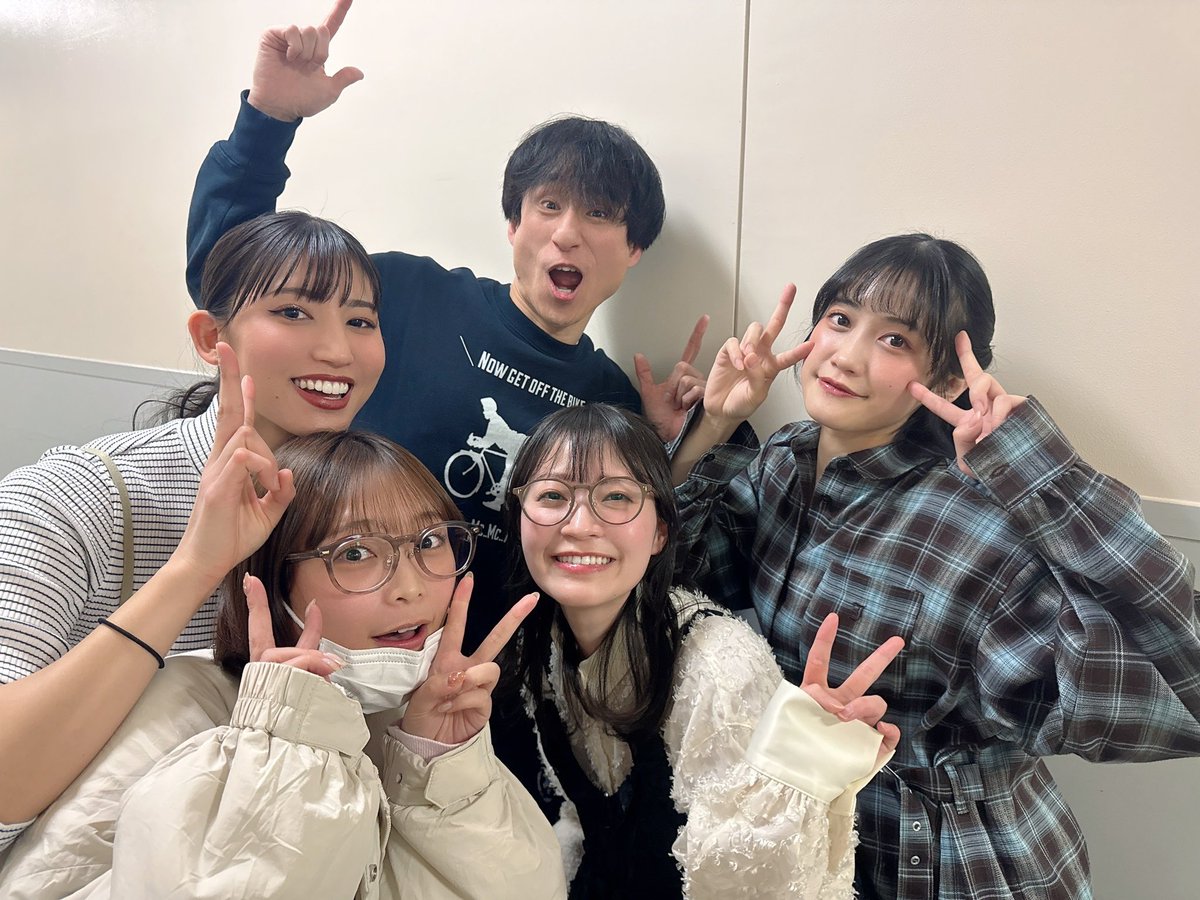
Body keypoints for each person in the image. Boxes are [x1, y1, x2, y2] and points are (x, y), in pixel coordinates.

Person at [668, 233, 1200, 899]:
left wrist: (1035, 467)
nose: (847, 356)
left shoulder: (974, 521)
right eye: (840, 319)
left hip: (954, 865)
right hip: (810, 844)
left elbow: (1181, 691)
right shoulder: (785, 460)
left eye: (895, 340)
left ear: (947, 381)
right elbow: (672, 574)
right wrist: (715, 423)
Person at [184, 0, 708, 648]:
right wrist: (267, 122)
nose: (568, 233)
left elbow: (620, 540)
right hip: (324, 643)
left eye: (599, 214)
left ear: (634, 248)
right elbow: (232, 282)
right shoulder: (408, 294)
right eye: (548, 205)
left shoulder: (610, 400)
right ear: (513, 224)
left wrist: (671, 440)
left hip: (482, 682)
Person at [0, 430, 563, 899]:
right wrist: (283, 746)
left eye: (430, 541)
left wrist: (437, 766)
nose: (411, 587)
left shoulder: (415, 715)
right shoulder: (184, 702)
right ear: (274, 584)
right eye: (355, 553)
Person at [0, 210, 385, 851]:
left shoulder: (357, 515)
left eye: (361, 321)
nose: (337, 351)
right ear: (211, 337)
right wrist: (194, 567)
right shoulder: (77, 496)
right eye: (293, 312)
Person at [502, 403, 904, 899]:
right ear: (518, 518)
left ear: (660, 532)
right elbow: (582, 818)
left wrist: (794, 773)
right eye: (552, 495)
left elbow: (749, 887)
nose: (580, 524)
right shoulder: (539, 644)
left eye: (616, 496)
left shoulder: (716, 666)